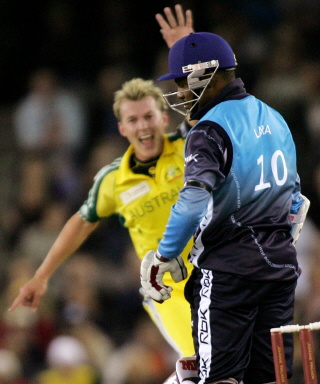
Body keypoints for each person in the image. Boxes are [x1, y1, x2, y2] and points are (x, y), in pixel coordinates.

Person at [140, 31, 310, 384]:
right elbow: (296, 200)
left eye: (183, 82)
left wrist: (165, 254)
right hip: (280, 271)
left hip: (228, 275)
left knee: (216, 378)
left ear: (208, 77)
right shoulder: (275, 117)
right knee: (269, 378)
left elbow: (193, 201)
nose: (180, 93)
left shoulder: (209, 130)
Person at [8, 75, 195, 358]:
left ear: (164, 119)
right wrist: (41, 276)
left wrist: (185, 50)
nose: (142, 125)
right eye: (133, 120)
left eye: (148, 116)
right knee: (203, 361)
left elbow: (204, 106)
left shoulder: (189, 147)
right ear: (122, 128)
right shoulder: (112, 179)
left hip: (218, 271)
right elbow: (81, 222)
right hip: (168, 290)